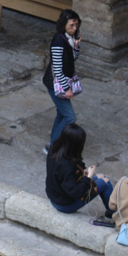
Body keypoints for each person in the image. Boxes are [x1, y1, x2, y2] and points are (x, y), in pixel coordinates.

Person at [45, 123, 112, 215]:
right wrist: (88, 177)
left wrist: (83, 170)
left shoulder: (54, 149)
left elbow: (67, 172)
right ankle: (114, 214)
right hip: (65, 204)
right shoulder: (66, 166)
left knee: (101, 176)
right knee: (105, 182)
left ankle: (111, 212)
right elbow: (76, 193)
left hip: (56, 195)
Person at [42, 9, 82, 150]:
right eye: (71, 25)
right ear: (64, 24)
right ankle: (53, 146)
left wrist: (76, 47)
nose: (74, 28)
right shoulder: (59, 42)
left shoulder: (68, 38)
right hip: (56, 84)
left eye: (76, 25)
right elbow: (57, 69)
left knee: (61, 113)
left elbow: (73, 58)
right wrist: (67, 89)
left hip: (60, 82)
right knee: (70, 117)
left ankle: (52, 143)